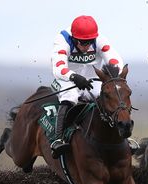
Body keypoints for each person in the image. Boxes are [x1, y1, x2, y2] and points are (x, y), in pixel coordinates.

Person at [49, 15, 125, 158]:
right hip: (66, 78)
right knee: (70, 96)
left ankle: (120, 136)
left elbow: (114, 58)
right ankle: (57, 139)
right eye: (82, 42)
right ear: (73, 38)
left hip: (90, 78)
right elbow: (58, 67)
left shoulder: (100, 39)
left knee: (106, 97)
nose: (85, 46)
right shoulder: (62, 40)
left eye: (89, 42)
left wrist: (114, 74)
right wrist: (73, 77)